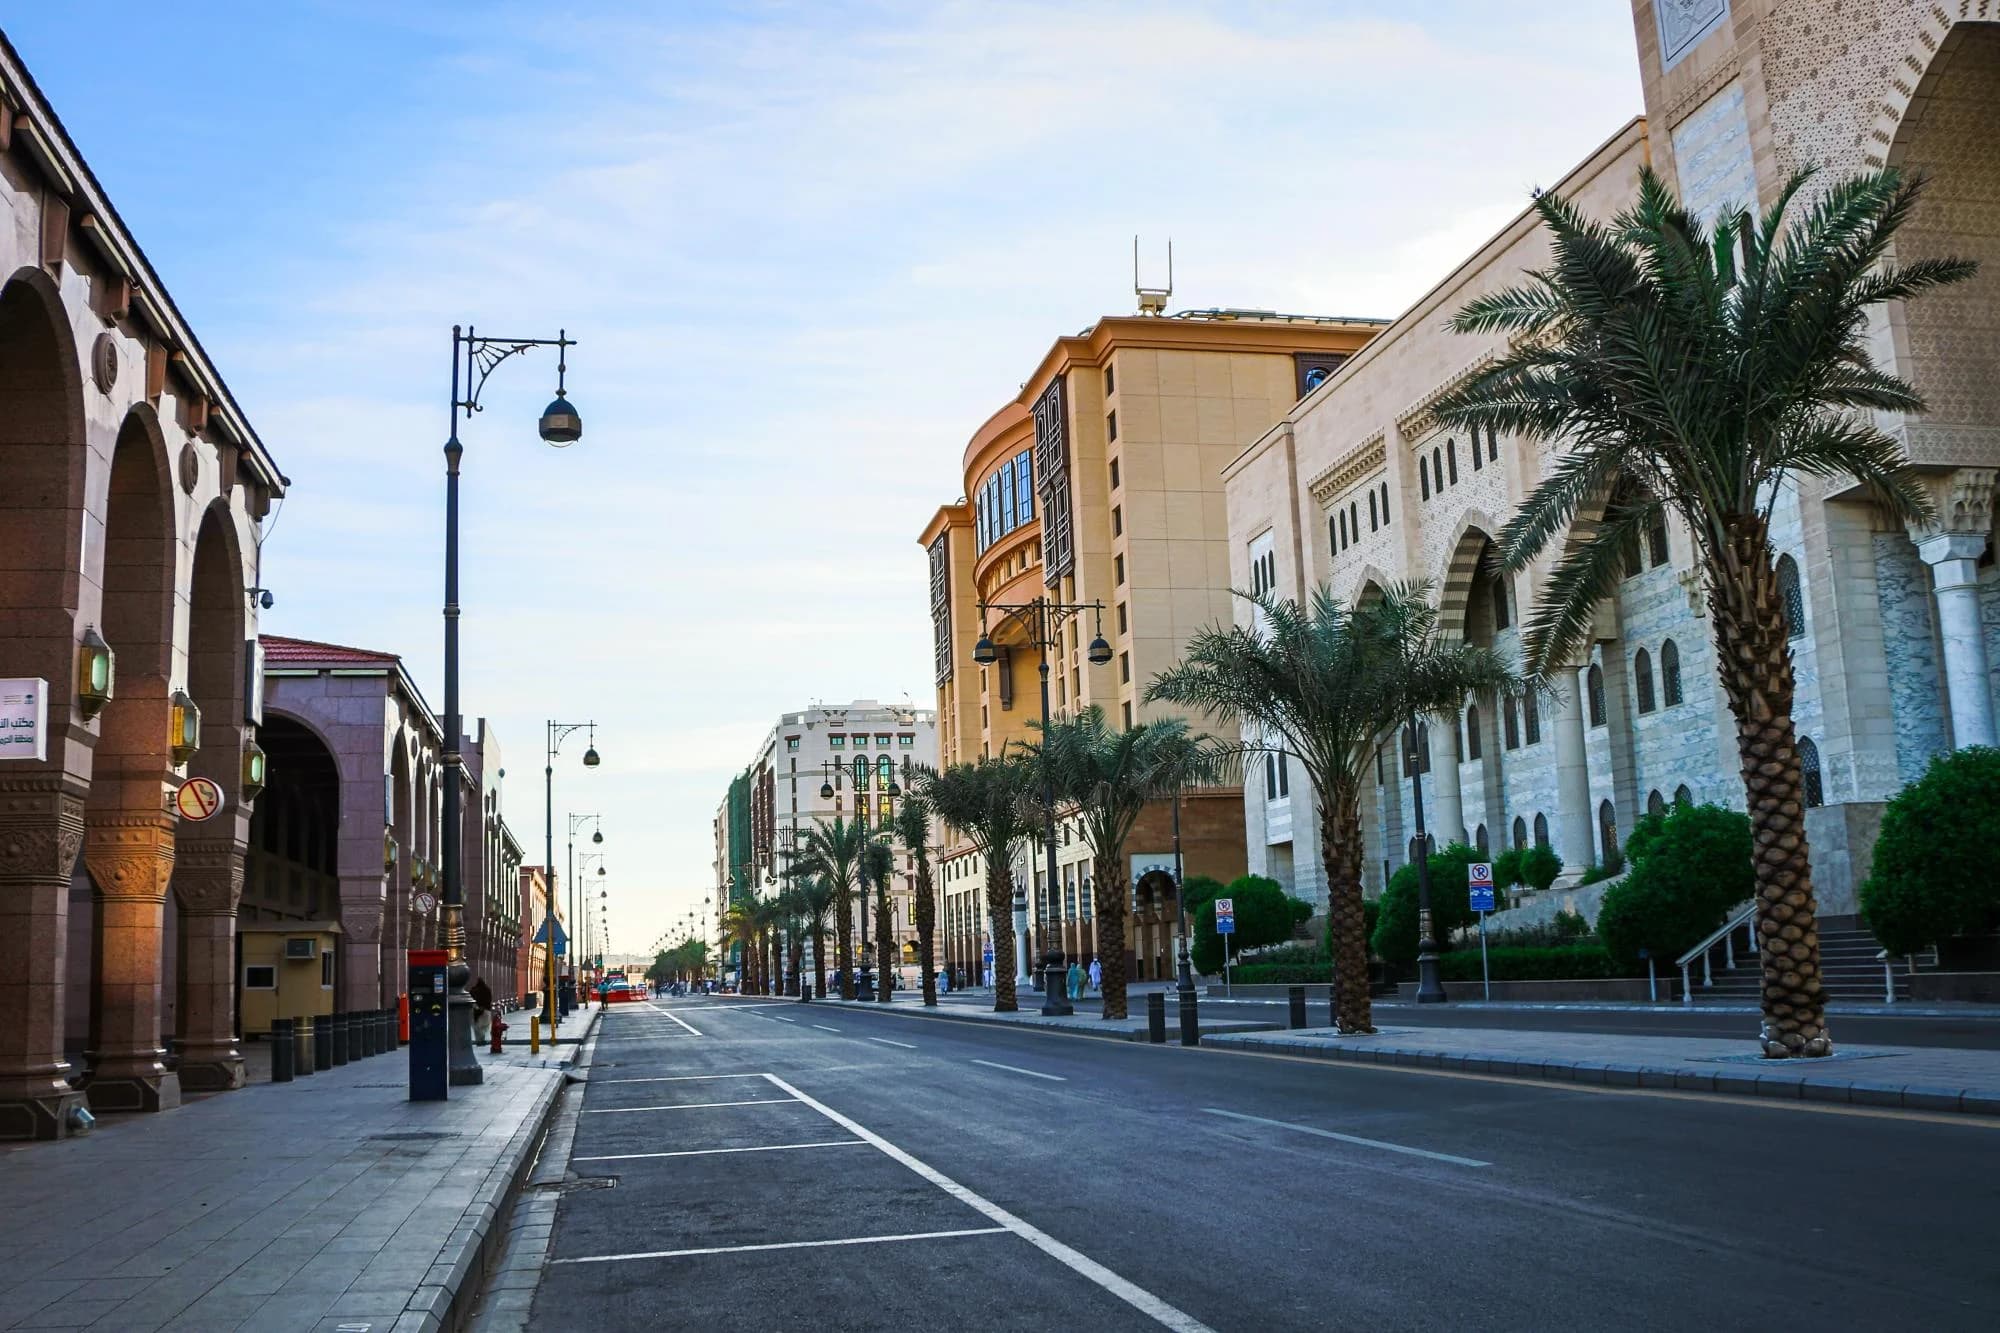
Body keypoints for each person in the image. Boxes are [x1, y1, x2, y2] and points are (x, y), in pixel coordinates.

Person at [469, 975, 494, 1044]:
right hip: (485, 1010)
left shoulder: (473, 990)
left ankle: (478, 1040)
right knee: (484, 1026)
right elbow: (489, 999)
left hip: (475, 1010)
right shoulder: (487, 990)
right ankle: (482, 1039)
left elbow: (471, 999)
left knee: (477, 1026)